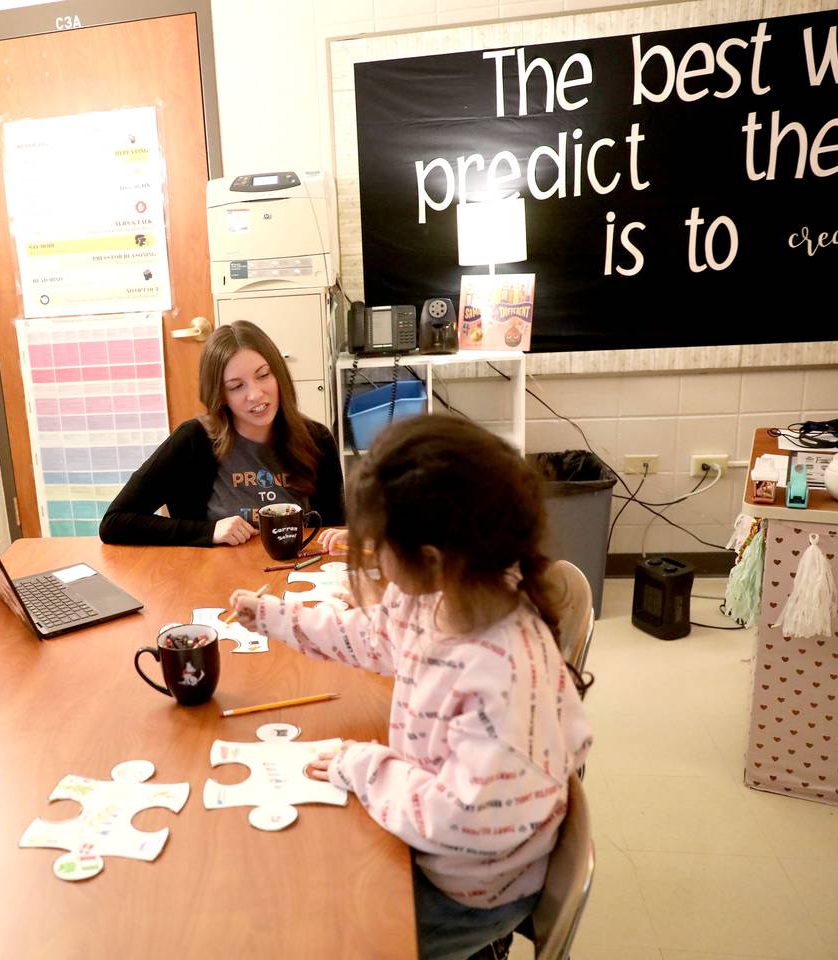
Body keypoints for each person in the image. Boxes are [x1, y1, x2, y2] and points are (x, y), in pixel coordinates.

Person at [228, 416, 593, 960]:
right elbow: (371, 638)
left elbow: (455, 821)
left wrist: (365, 767)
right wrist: (275, 617)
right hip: (437, 830)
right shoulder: (444, 592)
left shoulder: (499, 676)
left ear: (431, 558)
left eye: (378, 543)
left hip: (470, 888)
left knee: (312, 927)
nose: (370, 553)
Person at [99, 320, 344, 546]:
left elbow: (333, 529)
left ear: (279, 374)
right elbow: (115, 522)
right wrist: (208, 532)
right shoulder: (194, 440)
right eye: (237, 386)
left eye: (263, 375)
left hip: (293, 575)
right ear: (221, 395)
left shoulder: (317, 440)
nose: (256, 394)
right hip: (218, 578)